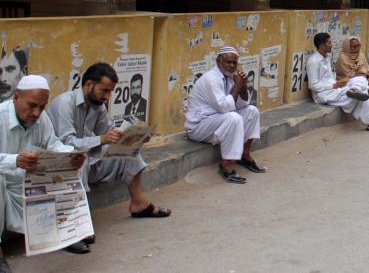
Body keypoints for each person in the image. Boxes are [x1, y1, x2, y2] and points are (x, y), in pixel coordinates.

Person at [47, 63, 172, 224]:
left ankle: (138, 203)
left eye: (110, 91)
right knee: (79, 160)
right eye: (104, 90)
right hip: (63, 162)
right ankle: (77, 223)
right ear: (89, 85)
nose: (107, 96)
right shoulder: (64, 103)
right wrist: (102, 139)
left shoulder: (98, 106)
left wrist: (136, 138)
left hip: (88, 159)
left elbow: (111, 132)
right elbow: (67, 143)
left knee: (128, 153)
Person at [0, 75, 88, 257]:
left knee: (72, 168)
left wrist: (71, 155)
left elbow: (53, 145)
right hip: (4, 187)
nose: (36, 113)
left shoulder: (42, 119)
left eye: (42, 107)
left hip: (27, 185)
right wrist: (15, 160)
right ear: (16, 97)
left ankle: (64, 233)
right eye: (32, 105)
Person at [184, 47, 265, 184]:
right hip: (199, 126)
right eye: (228, 62)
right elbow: (225, 107)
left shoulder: (231, 77)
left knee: (252, 111)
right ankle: (226, 164)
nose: (232, 66)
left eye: (234, 62)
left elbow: (243, 105)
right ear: (218, 61)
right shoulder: (211, 79)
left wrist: (243, 86)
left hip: (216, 119)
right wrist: (237, 86)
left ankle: (244, 155)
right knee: (233, 118)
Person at [306, 33, 369, 133]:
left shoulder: (327, 58)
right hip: (323, 94)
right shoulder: (313, 61)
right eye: (329, 43)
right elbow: (312, 85)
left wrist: (339, 82)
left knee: (361, 79)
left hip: (335, 88)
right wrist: (333, 85)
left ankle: (355, 90)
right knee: (362, 95)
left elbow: (331, 77)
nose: (332, 45)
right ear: (322, 45)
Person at [335, 36, 369, 105]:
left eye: (358, 45)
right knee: (363, 81)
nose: (357, 48)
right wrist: (362, 74)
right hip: (345, 82)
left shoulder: (361, 56)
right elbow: (347, 75)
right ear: (348, 47)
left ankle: (356, 90)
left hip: (361, 82)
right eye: (354, 46)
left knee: (364, 84)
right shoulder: (342, 58)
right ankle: (355, 89)